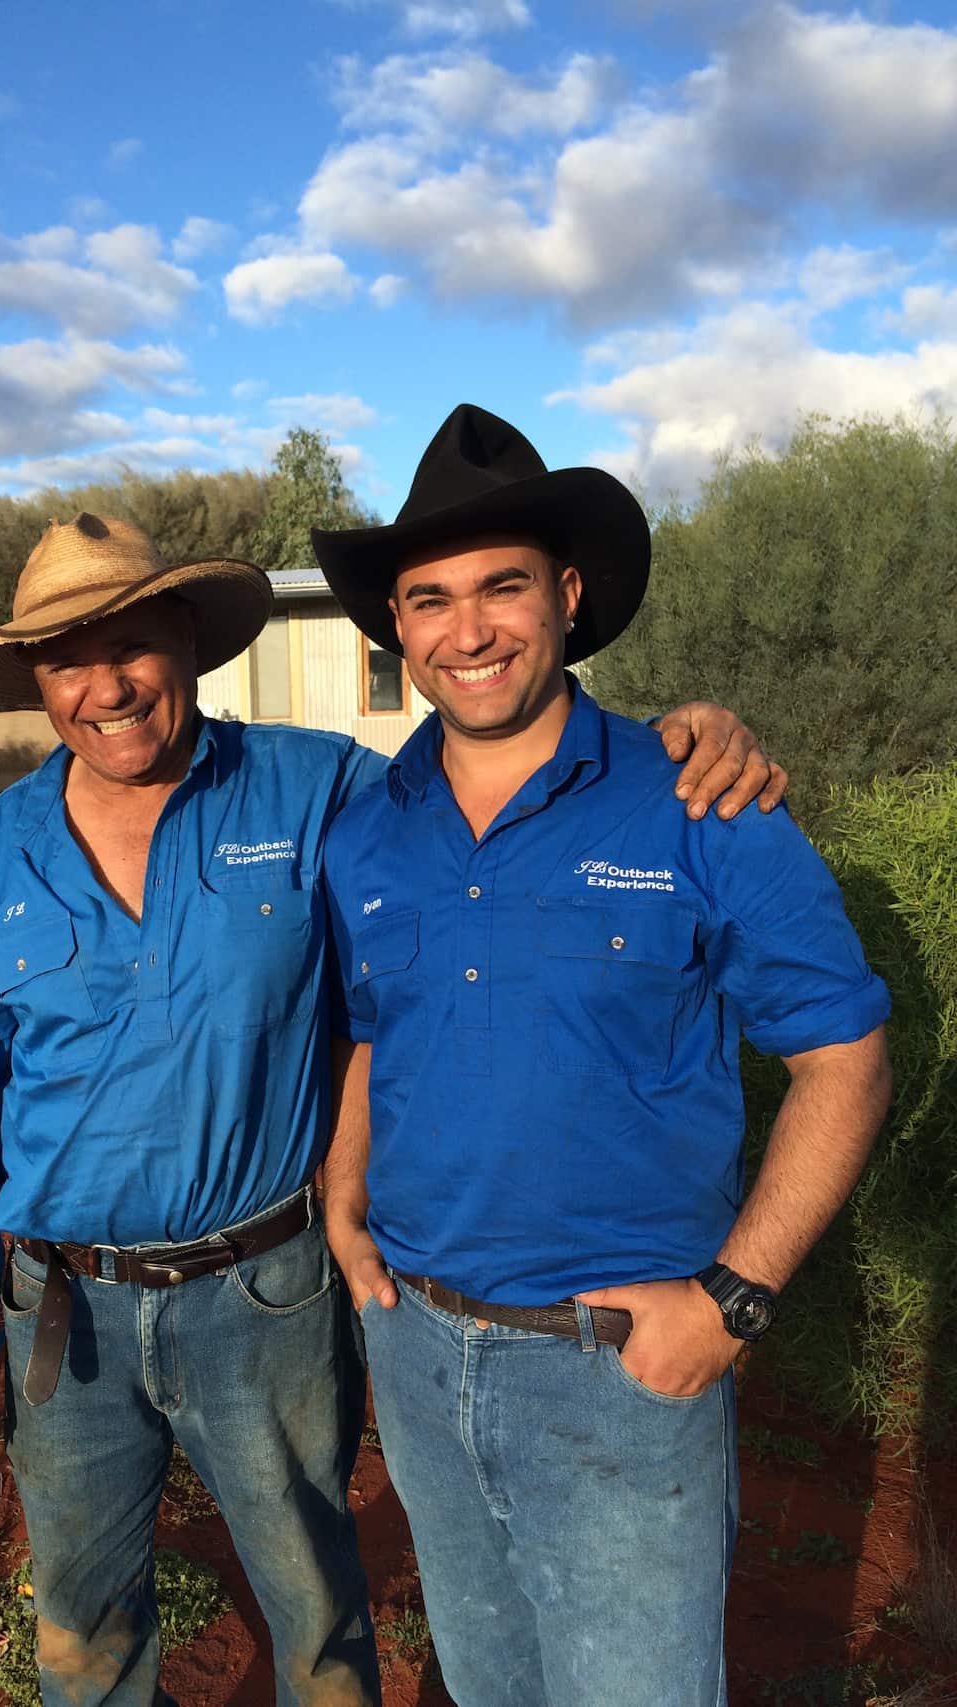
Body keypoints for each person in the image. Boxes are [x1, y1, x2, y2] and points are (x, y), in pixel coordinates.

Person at [0, 509, 790, 1707]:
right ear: (35, 683)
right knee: (83, 1627)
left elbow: (500, 776)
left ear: (189, 649)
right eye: (68, 659)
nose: (106, 688)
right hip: (61, 1314)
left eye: (134, 647)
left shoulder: (316, 791)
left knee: (314, 1617)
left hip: (261, 1296)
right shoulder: (2, 845)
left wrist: (678, 740)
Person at [313, 404, 892, 1707]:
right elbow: (370, 1028)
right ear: (396, 628)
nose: (468, 631)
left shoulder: (698, 799)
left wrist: (735, 1298)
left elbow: (846, 1056)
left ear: (568, 595)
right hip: (414, 1347)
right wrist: (342, 1199)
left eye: (502, 587)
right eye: (430, 599)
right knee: (484, 1677)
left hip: (623, 1366)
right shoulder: (369, 831)